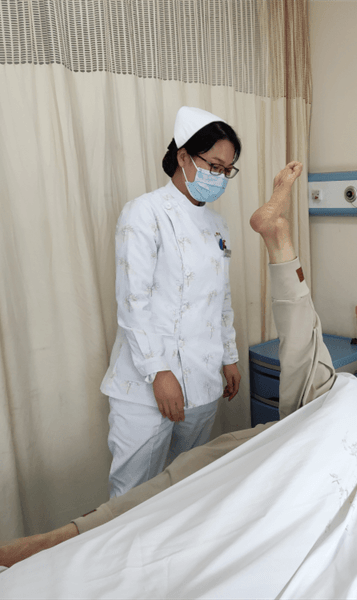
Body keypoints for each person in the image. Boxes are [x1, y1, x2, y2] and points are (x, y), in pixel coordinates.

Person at [0, 161, 357, 568]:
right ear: (184, 158)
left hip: (353, 442)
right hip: (339, 405)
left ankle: (75, 542)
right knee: (298, 347)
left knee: (206, 464)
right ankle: (278, 237)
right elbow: (135, 302)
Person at [101, 106, 243, 498]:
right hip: (147, 385)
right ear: (183, 156)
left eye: (227, 170)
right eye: (214, 166)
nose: (220, 177)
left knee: (187, 486)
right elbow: (133, 302)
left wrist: (229, 356)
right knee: (131, 496)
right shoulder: (144, 212)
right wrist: (159, 373)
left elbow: (221, 298)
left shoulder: (218, 226)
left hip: (203, 376)